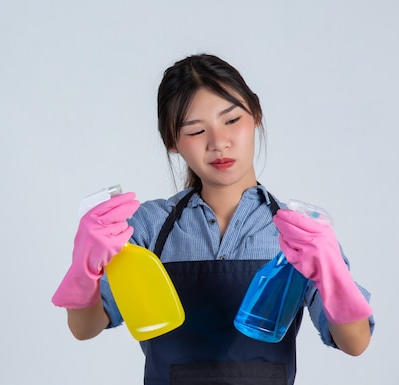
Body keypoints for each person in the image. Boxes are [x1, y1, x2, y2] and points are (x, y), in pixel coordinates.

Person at [51, 54, 374, 385]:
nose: (219, 142)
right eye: (196, 130)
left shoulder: (299, 233)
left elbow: (355, 342)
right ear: (172, 142)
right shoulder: (148, 227)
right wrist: (84, 271)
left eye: (232, 120)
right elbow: (85, 328)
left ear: (255, 116)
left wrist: (331, 274)